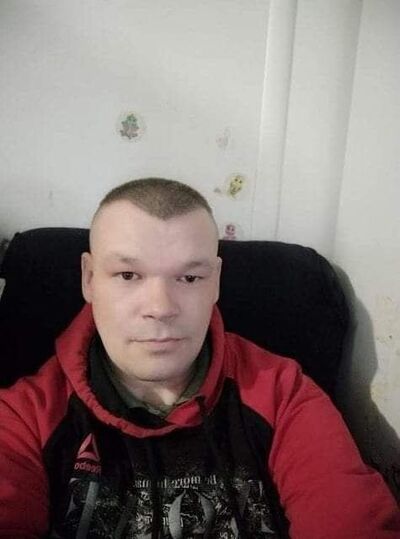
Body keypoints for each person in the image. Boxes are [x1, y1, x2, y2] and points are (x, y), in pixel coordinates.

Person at [0, 178, 399, 539]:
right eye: (128, 275)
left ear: (216, 282)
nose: (160, 308)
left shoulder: (284, 394)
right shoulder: (24, 418)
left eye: (189, 278)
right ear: (89, 279)